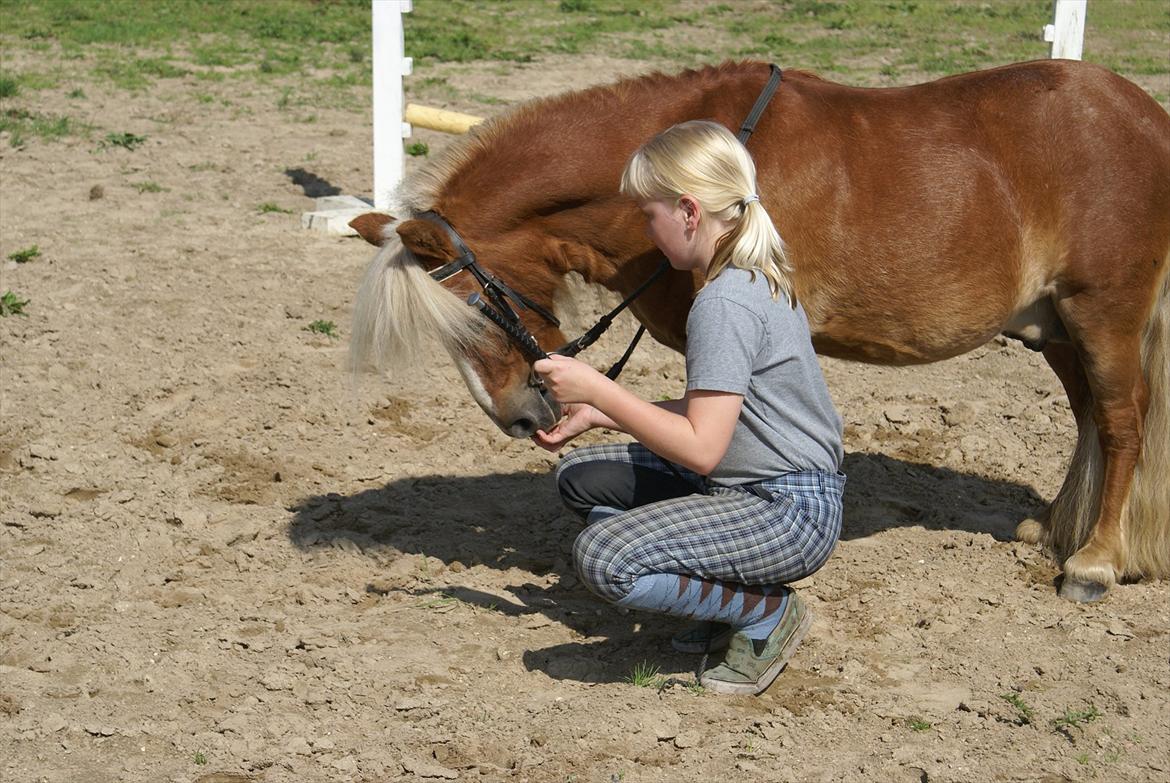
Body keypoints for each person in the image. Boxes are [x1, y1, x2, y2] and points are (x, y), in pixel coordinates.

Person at [532, 120, 844, 696]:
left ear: (688, 211)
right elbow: (720, 407)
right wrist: (601, 415)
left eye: (649, 215)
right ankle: (724, 595)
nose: (648, 233)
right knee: (581, 477)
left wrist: (601, 390)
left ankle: (761, 613)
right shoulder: (755, 276)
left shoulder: (723, 303)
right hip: (769, 486)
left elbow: (702, 448)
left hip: (783, 511)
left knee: (604, 558)